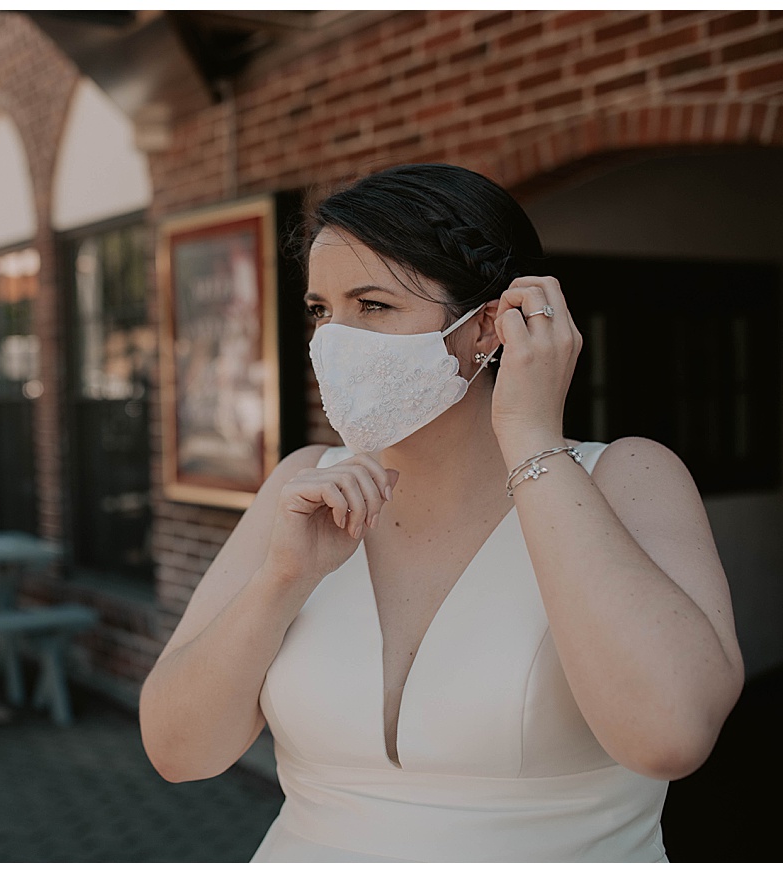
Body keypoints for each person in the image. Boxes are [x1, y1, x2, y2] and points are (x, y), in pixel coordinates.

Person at [139, 164, 744, 862]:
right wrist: (280, 581)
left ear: (488, 324)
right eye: (320, 309)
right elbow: (178, 751)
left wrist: (532, 441)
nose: (334, 340)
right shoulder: (302, 482)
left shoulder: (629, 476)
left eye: (372, 305)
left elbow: (668, 733)